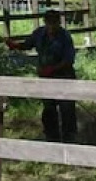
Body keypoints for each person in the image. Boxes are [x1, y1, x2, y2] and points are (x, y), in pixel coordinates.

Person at [7, 9, 78, 142]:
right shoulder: (39, 34)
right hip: (46, 79)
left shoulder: (65, 37)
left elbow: (69, 60)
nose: (51, 26)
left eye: (54, 23)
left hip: (64, 78)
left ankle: (69, 139)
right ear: (45, 22)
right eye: (49, 23)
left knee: (67, 109)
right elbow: (27, 45)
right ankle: (52, 137)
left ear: (59, 22)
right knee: (49, 109)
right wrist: (15, 45)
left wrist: (53, 69)